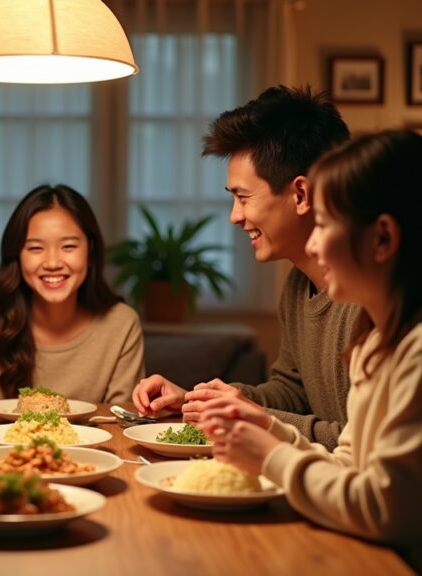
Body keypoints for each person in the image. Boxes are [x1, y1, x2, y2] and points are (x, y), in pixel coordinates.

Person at [191, 130, 422, 574]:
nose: (313, 245)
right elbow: (348, 466)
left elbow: (387, 512)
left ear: (382, 239)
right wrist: (269, 428)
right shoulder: (377, 342)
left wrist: (269, 455)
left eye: (323, 226)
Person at [133, 85, 356, 449]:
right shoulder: (299, 286)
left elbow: (362, 446)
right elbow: (292, 391)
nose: (234, 217)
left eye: (243, 197)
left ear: (301, 195)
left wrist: (258, 419)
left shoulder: (372, 298)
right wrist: (201, 401)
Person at [0, 184, 144, 403]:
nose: (52, 263)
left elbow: (122, 423)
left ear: (90, 253)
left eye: (68, 246)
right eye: (35, 248)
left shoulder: (121, 324)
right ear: (16, 256)